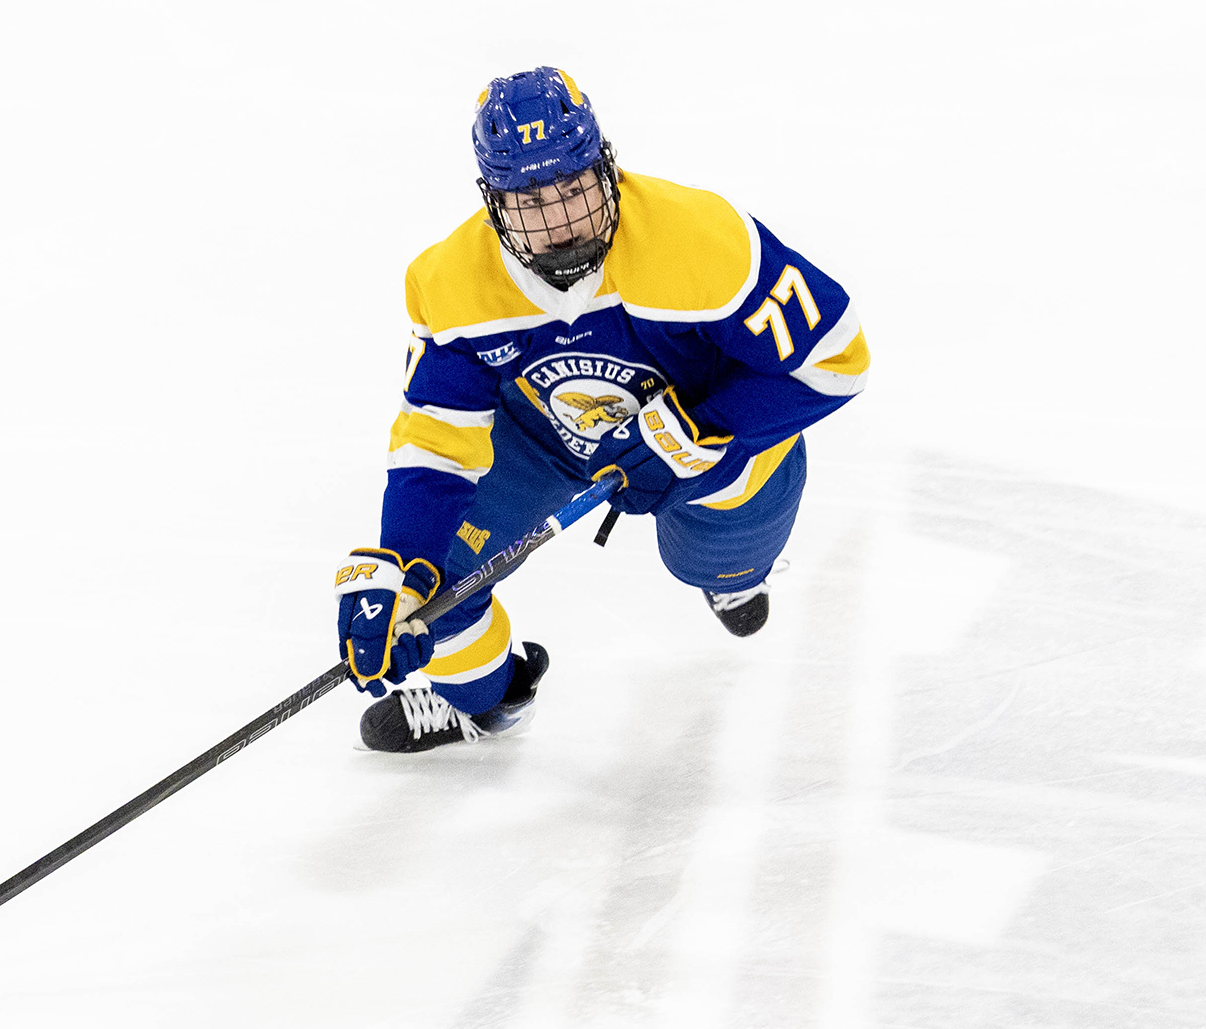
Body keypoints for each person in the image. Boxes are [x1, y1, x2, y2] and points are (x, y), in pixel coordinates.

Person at [334, 67, 869, 753]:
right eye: (530, 200)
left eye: (574, 189)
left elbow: (838, 357)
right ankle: (489, 701)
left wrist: (704, 430)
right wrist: (401, 567)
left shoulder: (702, 241)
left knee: (714, 563)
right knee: (437, 589)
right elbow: (435, 439)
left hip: (722, 450)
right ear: (492, 201)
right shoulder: (450, 283)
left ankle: (727, 577)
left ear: (606, 167)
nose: (560, 223)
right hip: (540, 442)